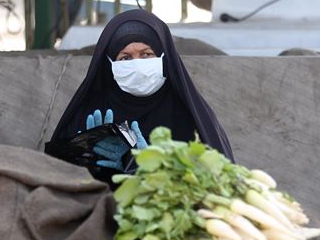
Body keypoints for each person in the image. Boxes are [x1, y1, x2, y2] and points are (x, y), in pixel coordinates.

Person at [50, 10, 233, 172]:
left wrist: (149, 168)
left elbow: (218, 177)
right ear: (109, 64)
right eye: (125, 57)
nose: (137, 63)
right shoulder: (90, 112)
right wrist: (87, 155)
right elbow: (57, 175)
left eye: (146, 54)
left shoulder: (191, 116)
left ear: (164, 57)